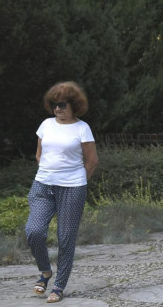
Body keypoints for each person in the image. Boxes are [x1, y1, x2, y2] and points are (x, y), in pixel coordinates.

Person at [26, 81, 99, 304]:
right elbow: (39, 154)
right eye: (55, 104)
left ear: (74, 105)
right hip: (43, 185)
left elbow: (92, 161)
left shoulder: (82, 128)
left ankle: (59, 285)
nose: (58, 108)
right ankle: (45, 271)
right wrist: (49, 172)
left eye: (63, 104)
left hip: (72, 188)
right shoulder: (46, 125)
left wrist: (77, 182)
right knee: (33, 231)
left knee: (66, 238)